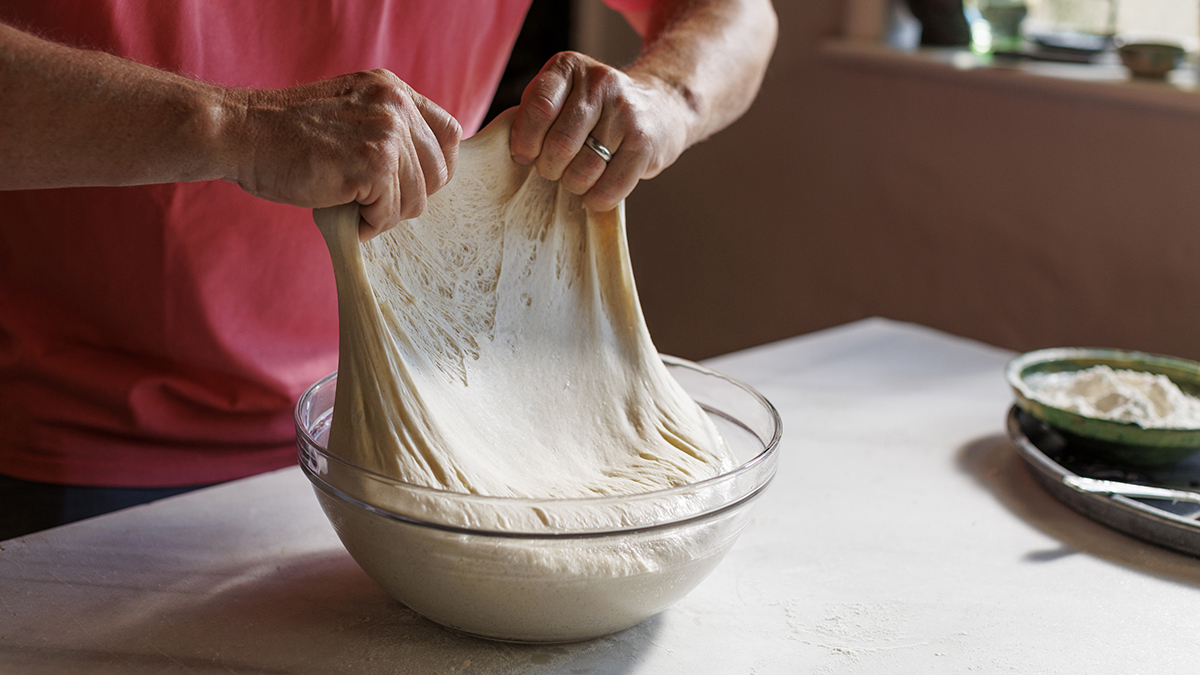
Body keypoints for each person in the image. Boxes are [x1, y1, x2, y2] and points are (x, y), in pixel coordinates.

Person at [0, 0, 778, 539]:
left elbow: (740, 14)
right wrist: (233, 125)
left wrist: (665, 96)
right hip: (75, 453)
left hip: (423, 442)